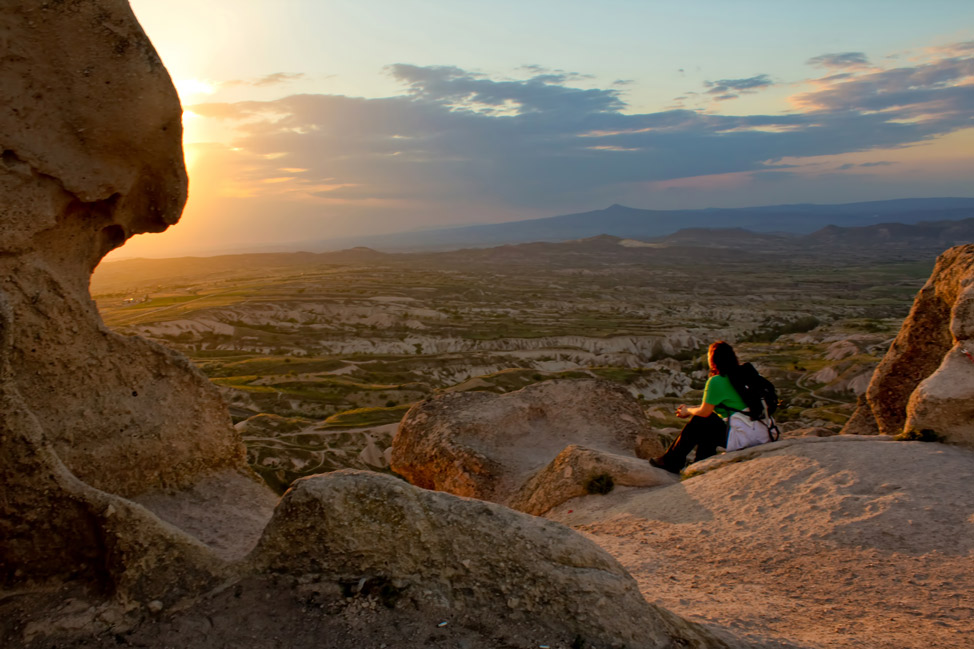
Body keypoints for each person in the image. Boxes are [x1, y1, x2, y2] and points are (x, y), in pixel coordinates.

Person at [650, 341, 750, 474]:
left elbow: (704, 412)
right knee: (709, 422)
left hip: (744, 437)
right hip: (761, 431)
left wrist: (687, 411)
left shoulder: (718, 380)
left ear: (713, 360)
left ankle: (672, 461)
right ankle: (701, 462)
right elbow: (711, 408)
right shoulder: (746, 375)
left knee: (701, 420)